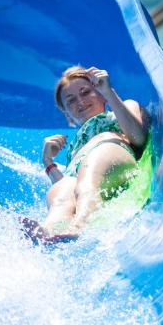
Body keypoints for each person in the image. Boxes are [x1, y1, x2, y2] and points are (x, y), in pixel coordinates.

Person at [25, 65, 149, 242]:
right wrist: (48, 162)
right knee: (62, 194)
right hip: (82, 170)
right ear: (68, 116)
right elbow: (72, 187)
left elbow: (138, 138)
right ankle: (49, 230)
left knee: (87, 181)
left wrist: (109, 92)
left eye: (85, 92)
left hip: (108, 147)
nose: (80, 101)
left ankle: (79, 224)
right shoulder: (75, 145)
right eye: (71, 101)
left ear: (100, 93)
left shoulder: (121, 109)